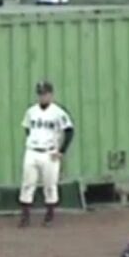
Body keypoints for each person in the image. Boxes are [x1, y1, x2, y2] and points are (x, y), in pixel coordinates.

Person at [18, 81, 74, 228]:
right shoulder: (31, 111)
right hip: (32, 151)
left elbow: (69, 131)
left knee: (50, 185)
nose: (42, 97)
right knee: (27, 184)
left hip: (50, 152)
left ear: (51, 95)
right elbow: (27, 128)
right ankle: (25, 217)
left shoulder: (58, 112)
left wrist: (62, 151)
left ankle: (49, 216)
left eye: (45, 94)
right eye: (40, 94)